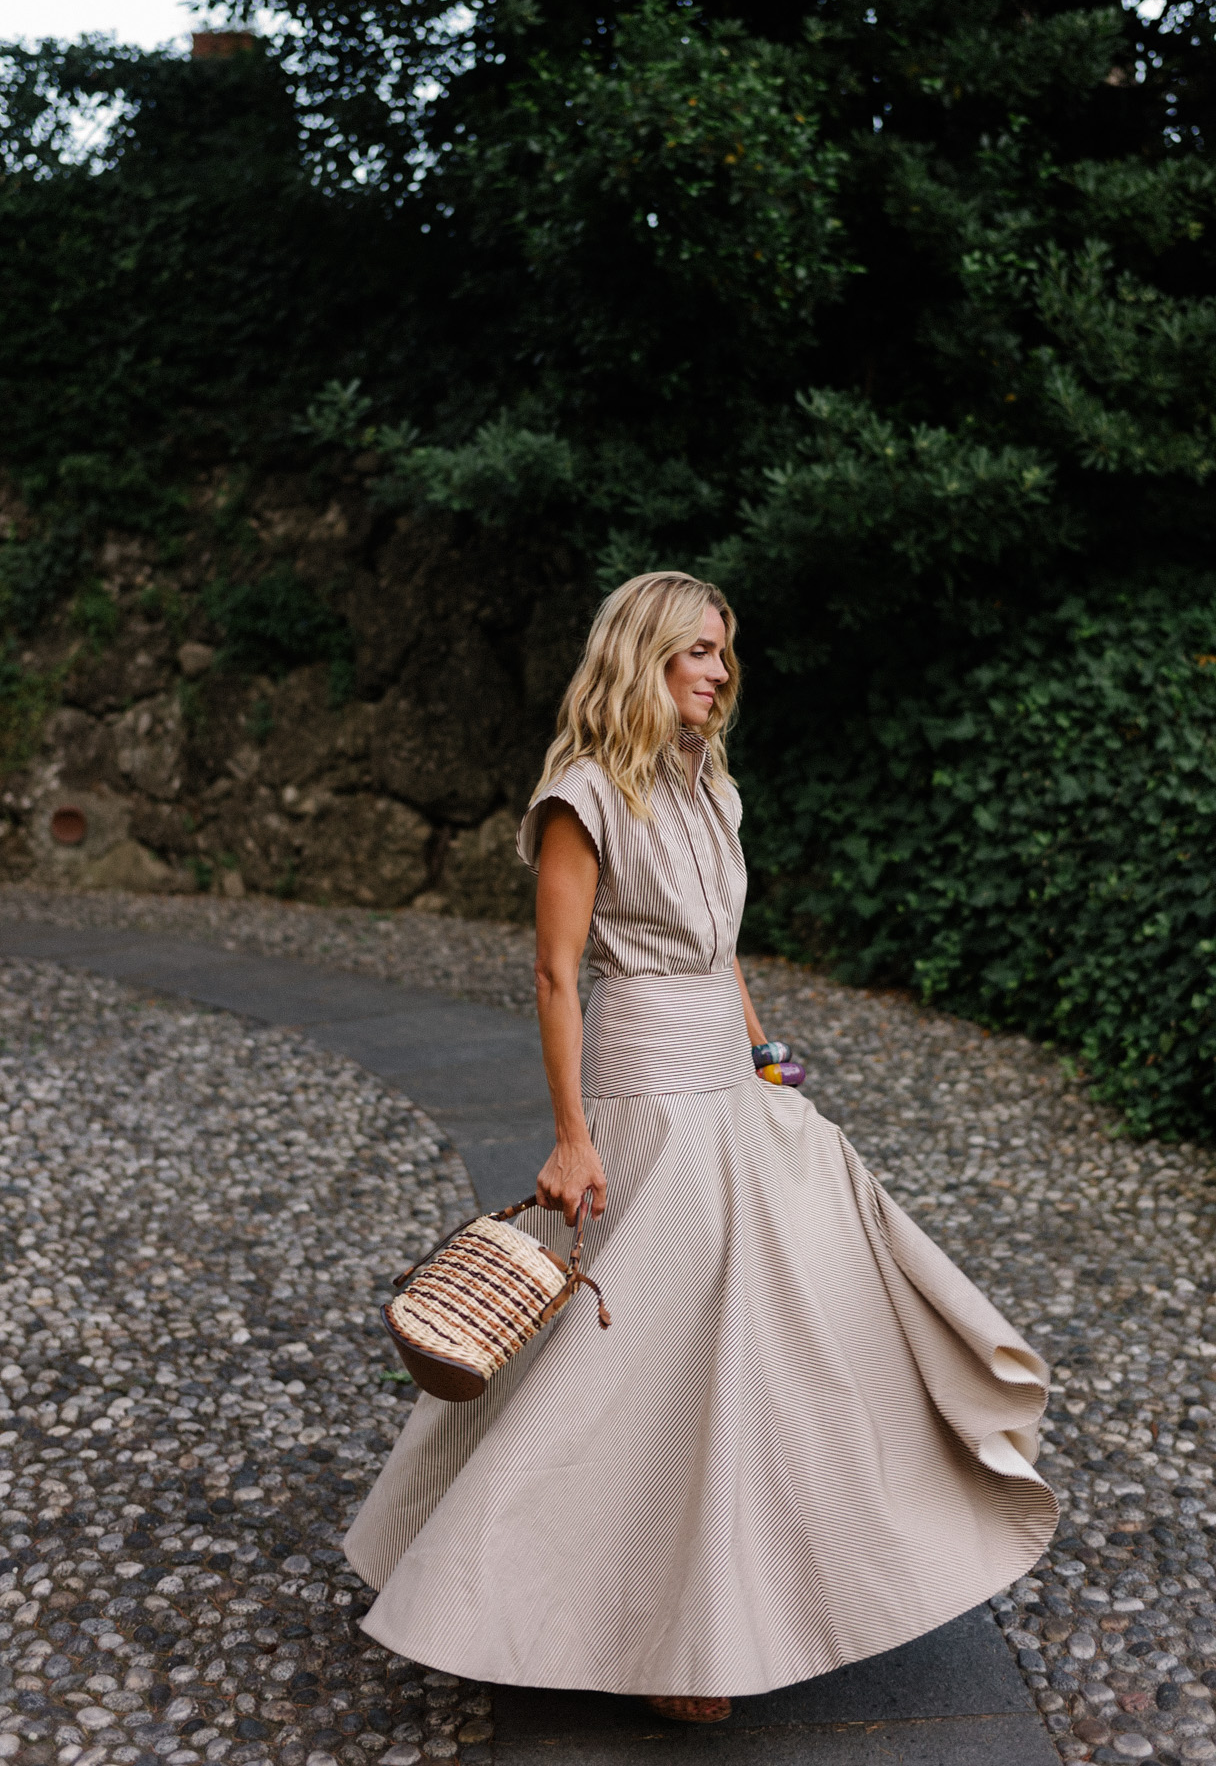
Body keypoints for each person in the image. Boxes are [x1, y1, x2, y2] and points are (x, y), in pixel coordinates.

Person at [345, 570, 1057, 1720]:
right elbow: (555, 972)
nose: (717, 674)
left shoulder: (710, 789)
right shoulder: (582, 796)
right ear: (640, 658)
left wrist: (766, 1056)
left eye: (723, 654)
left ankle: (764, 1585)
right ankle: (576, 1611)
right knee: (631, 1365)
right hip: (645, 1095)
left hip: (728, 1083)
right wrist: (574, 1139)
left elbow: (720, 950)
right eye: (695, 654)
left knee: (778, 1334)